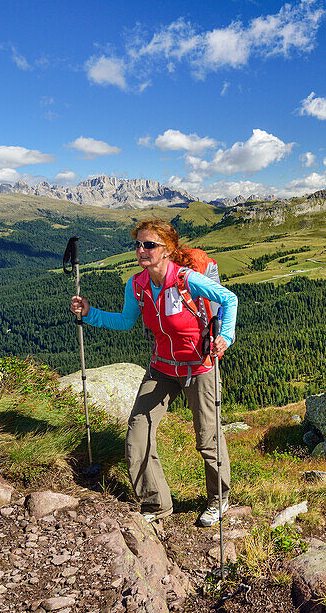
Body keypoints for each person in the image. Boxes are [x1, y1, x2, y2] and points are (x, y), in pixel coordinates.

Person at [70, 219, 238, 527]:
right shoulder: (137, 285)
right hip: (161, 367)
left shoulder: (187, 280)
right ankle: (156, 504)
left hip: (200, 365)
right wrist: (88, 313)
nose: (141, 250)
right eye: (138, 244)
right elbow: (124, 322)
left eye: (150, 245)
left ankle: (219, 499)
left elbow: (229, 299)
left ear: (168, 250)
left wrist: (225, 336)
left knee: (207, 439)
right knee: (137, 433)